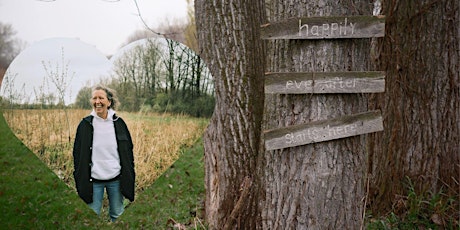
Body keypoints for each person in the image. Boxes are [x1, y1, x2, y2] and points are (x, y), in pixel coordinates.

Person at [72, 85, 135, 222]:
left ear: (109, 102)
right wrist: (78, 174)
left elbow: (128, 151)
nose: (97, 101)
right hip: (93, 181)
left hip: (116, 179)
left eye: (101, 98)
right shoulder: (85, 125)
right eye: (94, 98)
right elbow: (77, 154)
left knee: (118, 216)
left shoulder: (119, 123)